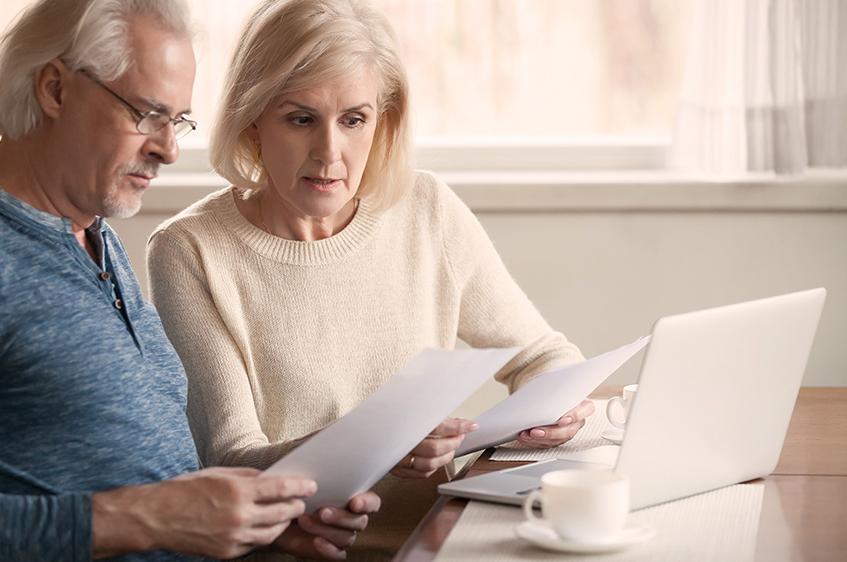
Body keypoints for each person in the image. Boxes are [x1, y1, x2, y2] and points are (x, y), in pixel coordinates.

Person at [0, 1, 379, 560]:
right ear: (54, 89)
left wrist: (255, 527)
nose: (168, 149)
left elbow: (126, 479)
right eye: (147, 115)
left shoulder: (94, 237)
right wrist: (150, 518)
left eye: (177, 121)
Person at [146, 0, 594, 558]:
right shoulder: (189, 249)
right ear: (253, 120)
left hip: (435, 542)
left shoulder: (427, 209)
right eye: (300, 118)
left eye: (353, 120)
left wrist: (559, 408)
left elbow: (545, 356)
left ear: (382, 122)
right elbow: (234, 459)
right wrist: (377, 444)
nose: (329, 153)